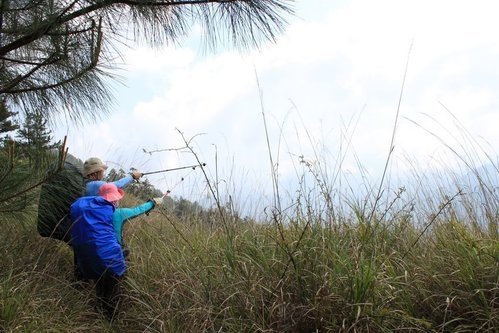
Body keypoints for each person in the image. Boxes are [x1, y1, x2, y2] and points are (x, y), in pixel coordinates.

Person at [70, 183, 162, 319]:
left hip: (92, 255)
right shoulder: (118, 213)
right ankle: (109, 317)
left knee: (100, 283)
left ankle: (98, 306)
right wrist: (153, 203)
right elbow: (138, 210)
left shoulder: (90, 212)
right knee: (112, 287)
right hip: (112, 256)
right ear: (114, 199)